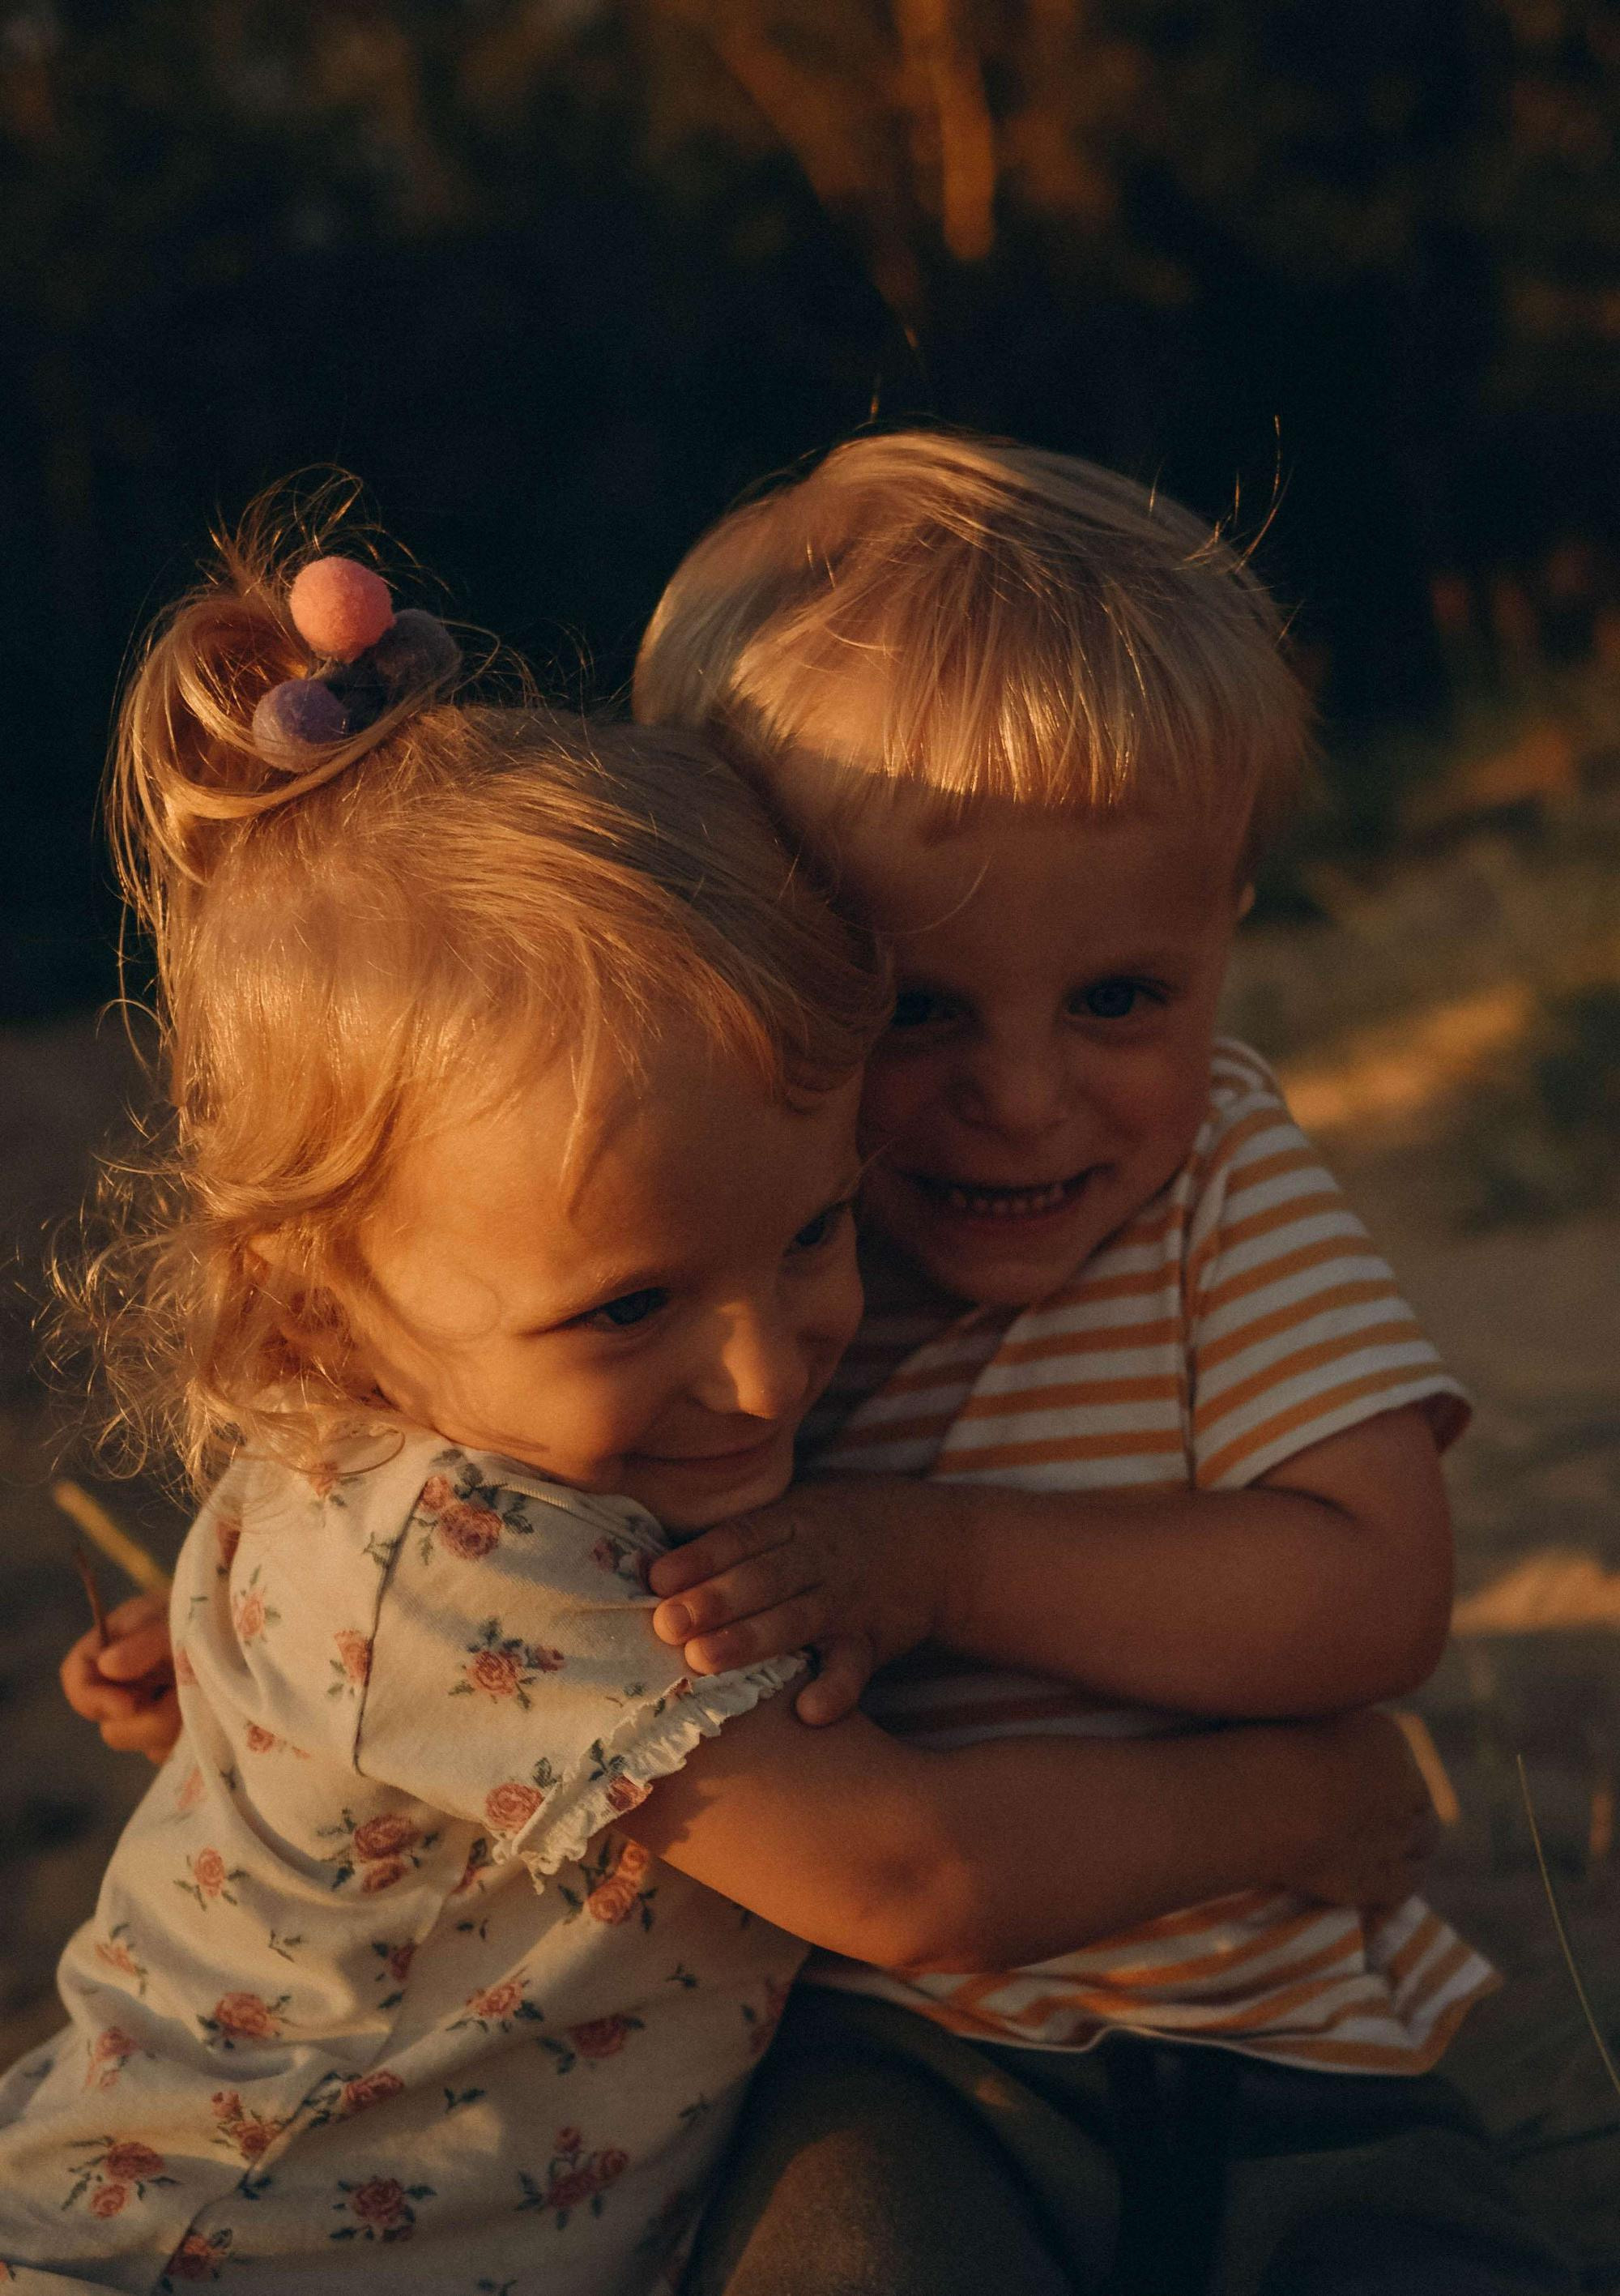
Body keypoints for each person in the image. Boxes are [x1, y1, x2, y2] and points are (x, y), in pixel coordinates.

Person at [22, 512, 1431, 2296]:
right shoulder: (471, 1540)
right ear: (318, 1305)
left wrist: (257, 1680)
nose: (778, 1367)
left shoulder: (507, 1436)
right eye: (633, 1304)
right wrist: (1297, 1804)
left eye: (818, 1227)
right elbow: (913, 1878)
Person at [627, 429, 1576, 2294]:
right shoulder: (718, 1249)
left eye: (1120, 997)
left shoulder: (1214, 1182)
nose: (1023, 1096)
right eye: (915, 1009)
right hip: (886, 2058)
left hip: (1295, 2040)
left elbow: (1376, 1591)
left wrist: (938, 1557)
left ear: (1223, 929)